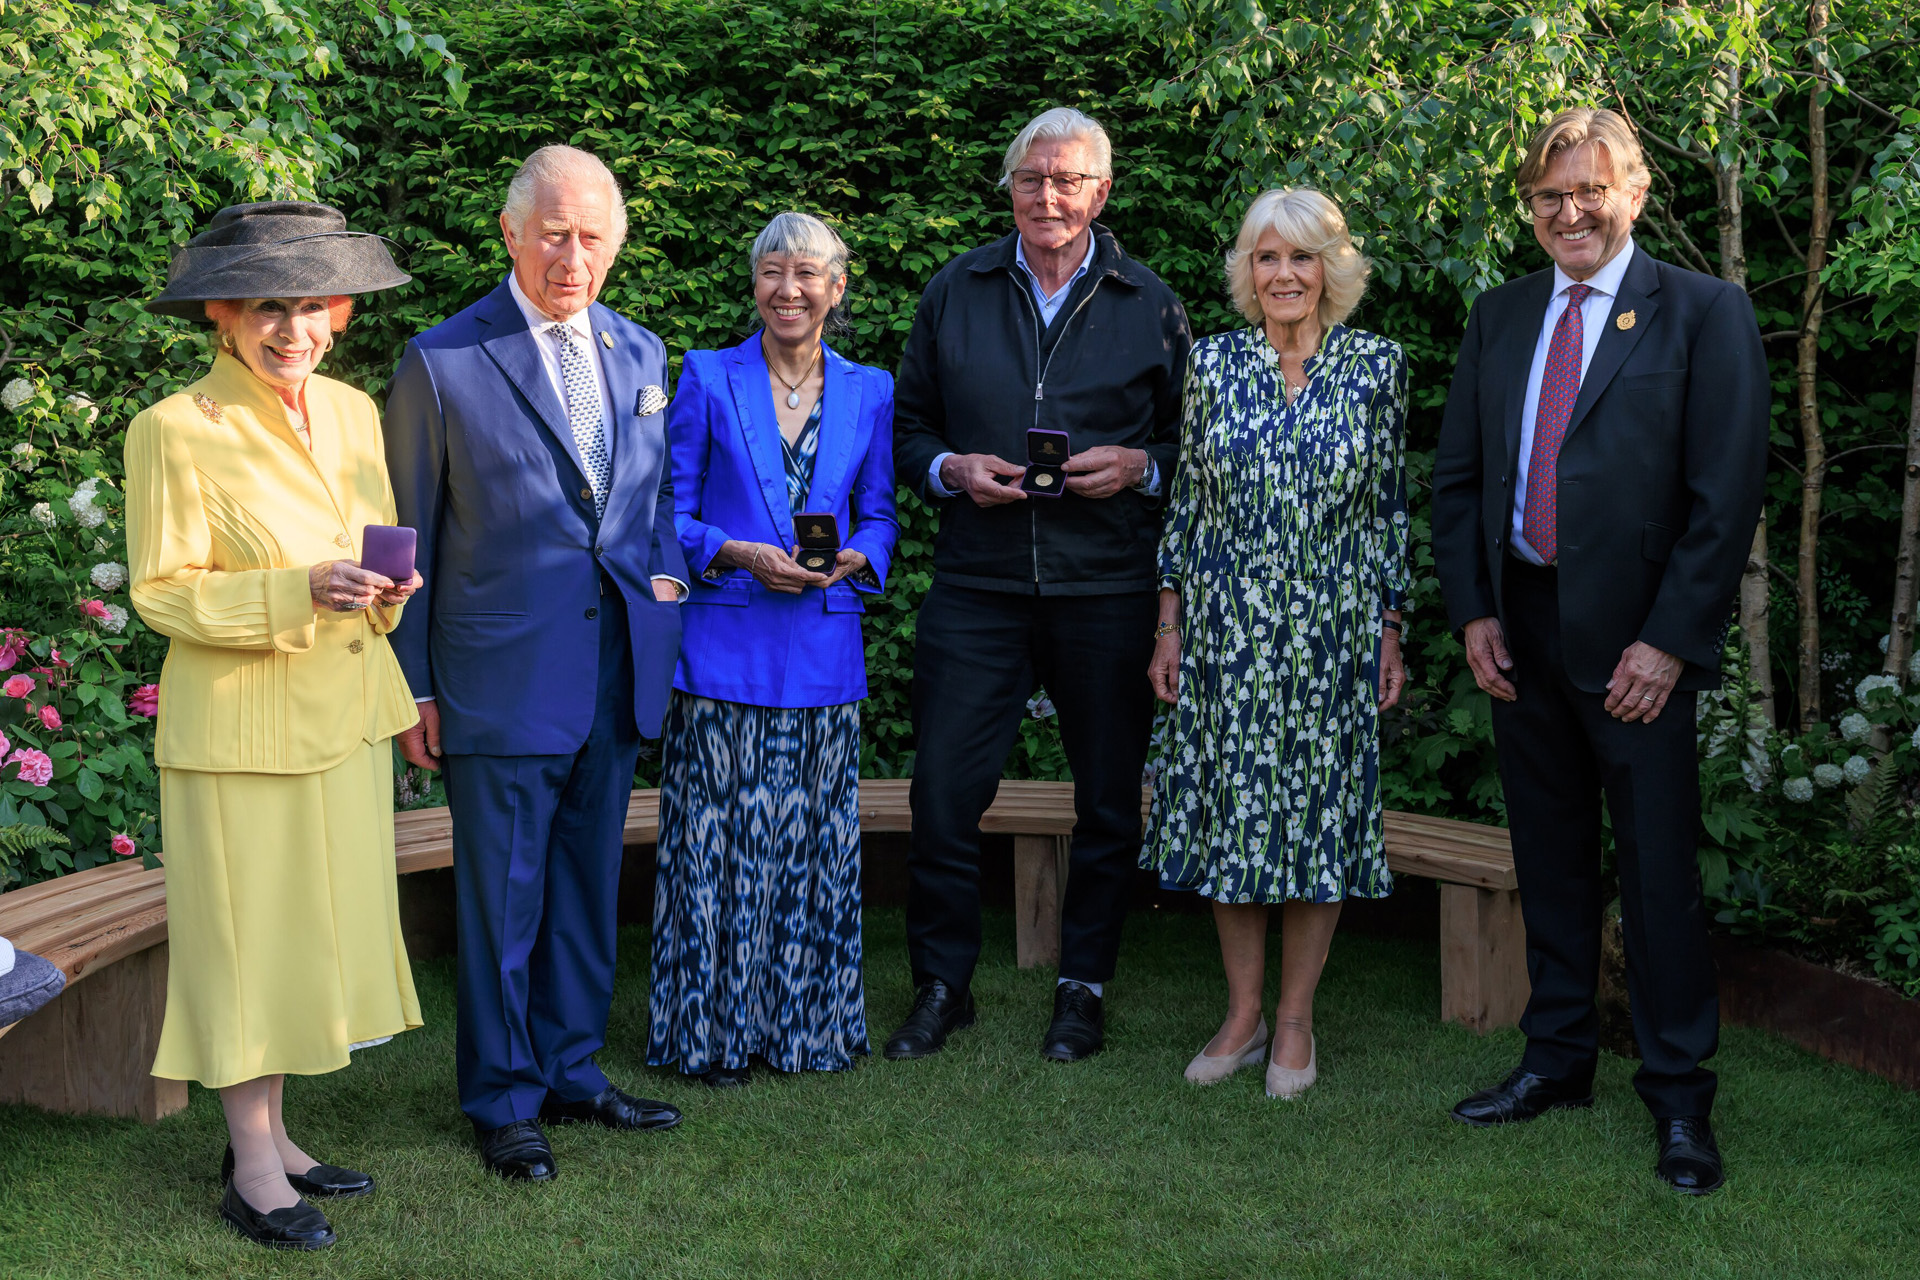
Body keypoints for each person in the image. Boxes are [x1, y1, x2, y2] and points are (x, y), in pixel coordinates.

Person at [1430, 107, 1768, 1194]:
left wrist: (1670, 642)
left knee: (1659, 874)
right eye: (1546, 196)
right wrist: (1474, 611)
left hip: (1637, 646)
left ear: (1634, 191)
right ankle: (1556, 1061)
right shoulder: (1501, 315)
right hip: (1520, 629)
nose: (1568, 212)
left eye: (1588, 190)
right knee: (1552, 862)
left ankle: (1678, 1099)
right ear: (1529, 210)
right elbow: (1460, 481)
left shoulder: (1705, 313)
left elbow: (1726, 500)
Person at [384, 145, 688, 1182]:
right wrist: (415, 684)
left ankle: (571, 1067)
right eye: (552, 231)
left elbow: (645, 518)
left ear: (615, 244)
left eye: (592, 234)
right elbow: (407, 535)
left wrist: (666, 611)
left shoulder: (643, 354)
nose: (572, 253)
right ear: (510, 232)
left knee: (584, 883)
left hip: (616, 671)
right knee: (501, 899)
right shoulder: (441, 359)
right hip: (498, 675)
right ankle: (504, 1097)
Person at [126, 200, 422, 1250]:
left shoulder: (349, 409)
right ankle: (251, 1166)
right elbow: (160, 592)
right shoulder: (171, 428)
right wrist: (297, 589)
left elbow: (374, 549)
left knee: (303, 938)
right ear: (221, 313)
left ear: (339, 312)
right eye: (265, 306)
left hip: (343, 717)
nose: (289, 327)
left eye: (307, 304)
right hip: (238, 733)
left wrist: (388, 587)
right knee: (246, 947)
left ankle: (278, 1133)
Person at [889, 107, 1192, 1064]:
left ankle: (1083, 987)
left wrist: (1142, 467)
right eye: (1032, 179)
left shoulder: (1151, 303)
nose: (1048, 197)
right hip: (977, 584)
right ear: (1011, 187)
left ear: (1102, 192)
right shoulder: (958, 287)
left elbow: (1202, 453)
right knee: (940, 793)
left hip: (1106, 586)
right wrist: (951, 471)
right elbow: (907, 430)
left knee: (1107, 800)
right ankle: (943, 986)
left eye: (1069, 181)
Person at [1145, 188, 1408, 1099]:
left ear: (1330, 268)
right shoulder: (1212, 365)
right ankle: (1244, 1014)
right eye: (1267, 258)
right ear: (1247, 273)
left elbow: (1386, 513)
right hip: (1228, 629)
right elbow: (1188, 506)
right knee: (1232, 817)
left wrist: (1389, 630)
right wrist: (1169, 624)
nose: (1284, 275)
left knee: (1317, 818)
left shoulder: (1377, 367)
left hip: (1333, 630)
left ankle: (1296, 1019)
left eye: (1301, 257)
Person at [647, 212, 899, 1087]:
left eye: (807, 274)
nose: (788, 289)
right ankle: (707, 1039)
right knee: (712, 854)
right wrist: (737, 551)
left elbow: (881, 513)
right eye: (772, 272)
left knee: (809, 852)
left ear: (838, 286)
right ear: (754, 285)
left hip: (825, 659)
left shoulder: (872, 388)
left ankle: (806, 1033)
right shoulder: (708, 377)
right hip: (723, 650)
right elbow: (667, 515)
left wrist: (863, 555)